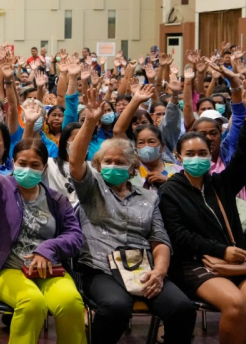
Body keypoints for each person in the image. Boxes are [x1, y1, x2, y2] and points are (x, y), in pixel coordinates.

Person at [70, 89, 196, 344]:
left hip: (143, 269)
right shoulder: (92, 189)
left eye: (119, 162)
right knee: (116, 307)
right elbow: (75, 161)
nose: (113, 166)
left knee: (182, 308)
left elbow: (159, 239)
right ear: (98, 165)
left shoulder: (149, 197)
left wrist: (159, 272)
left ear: (131, 169)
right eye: (107, 161)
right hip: (100, 269)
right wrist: (91, 121)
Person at [0, 110, 86, 344]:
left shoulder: (57, 200)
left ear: (44, 168)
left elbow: (75, 237)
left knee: (71, 303)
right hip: (8, 269)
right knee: (31, 302)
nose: (28, 168)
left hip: (49, 269)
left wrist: (48, 249)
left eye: (35, 165)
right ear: (13, 164)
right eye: (22, 163)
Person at [159, 79, 246, 343]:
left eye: (202, 153)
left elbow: (243, 155)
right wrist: (221, 250)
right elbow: (179, 235)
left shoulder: (221, 184)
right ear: (179, 157)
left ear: (210, 155)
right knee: (236, 304)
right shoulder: (170, 190)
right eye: (190, 154)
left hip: (236, 262)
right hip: (193, 264)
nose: (197, 158)